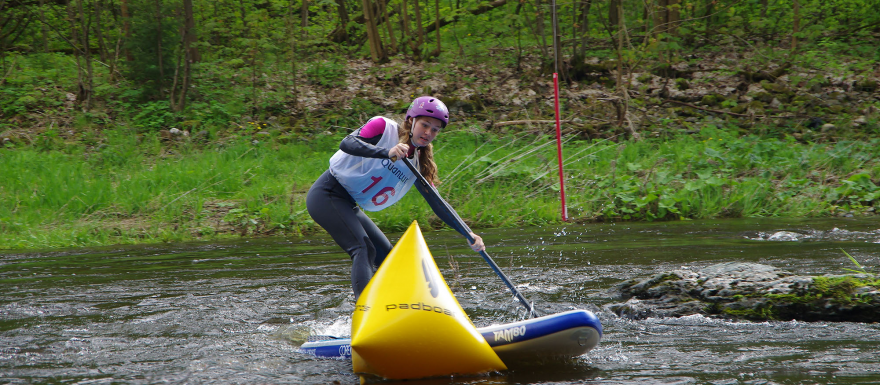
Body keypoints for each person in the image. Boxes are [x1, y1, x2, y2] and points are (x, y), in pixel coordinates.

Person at [306, 96, 485, 299]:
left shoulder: (418, 164)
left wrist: (467, 232)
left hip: (349, 204)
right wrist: (386, 152)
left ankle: (395, 310)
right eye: (425, 125)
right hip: (326, 193)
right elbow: (347, 143)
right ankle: (364, 313)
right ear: (411, 120)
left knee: (389, 259)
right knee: (363, 248)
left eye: (435, 129)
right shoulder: (383, 127)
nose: (428, 133)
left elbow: (438, 203)